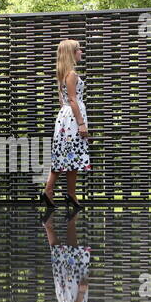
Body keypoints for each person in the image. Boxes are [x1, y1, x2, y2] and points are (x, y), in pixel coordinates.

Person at [41, 38, 90, 214]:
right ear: (71, 53)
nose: (81, 52)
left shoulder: (64, 74)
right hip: (72, 120)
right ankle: (50, 190)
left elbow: (63, 101)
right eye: (78, 50)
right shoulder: (71, 74)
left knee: (70, 156)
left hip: (66, 118)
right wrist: (81, 123)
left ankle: (68, 193)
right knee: (68, 155)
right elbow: (72, 100)